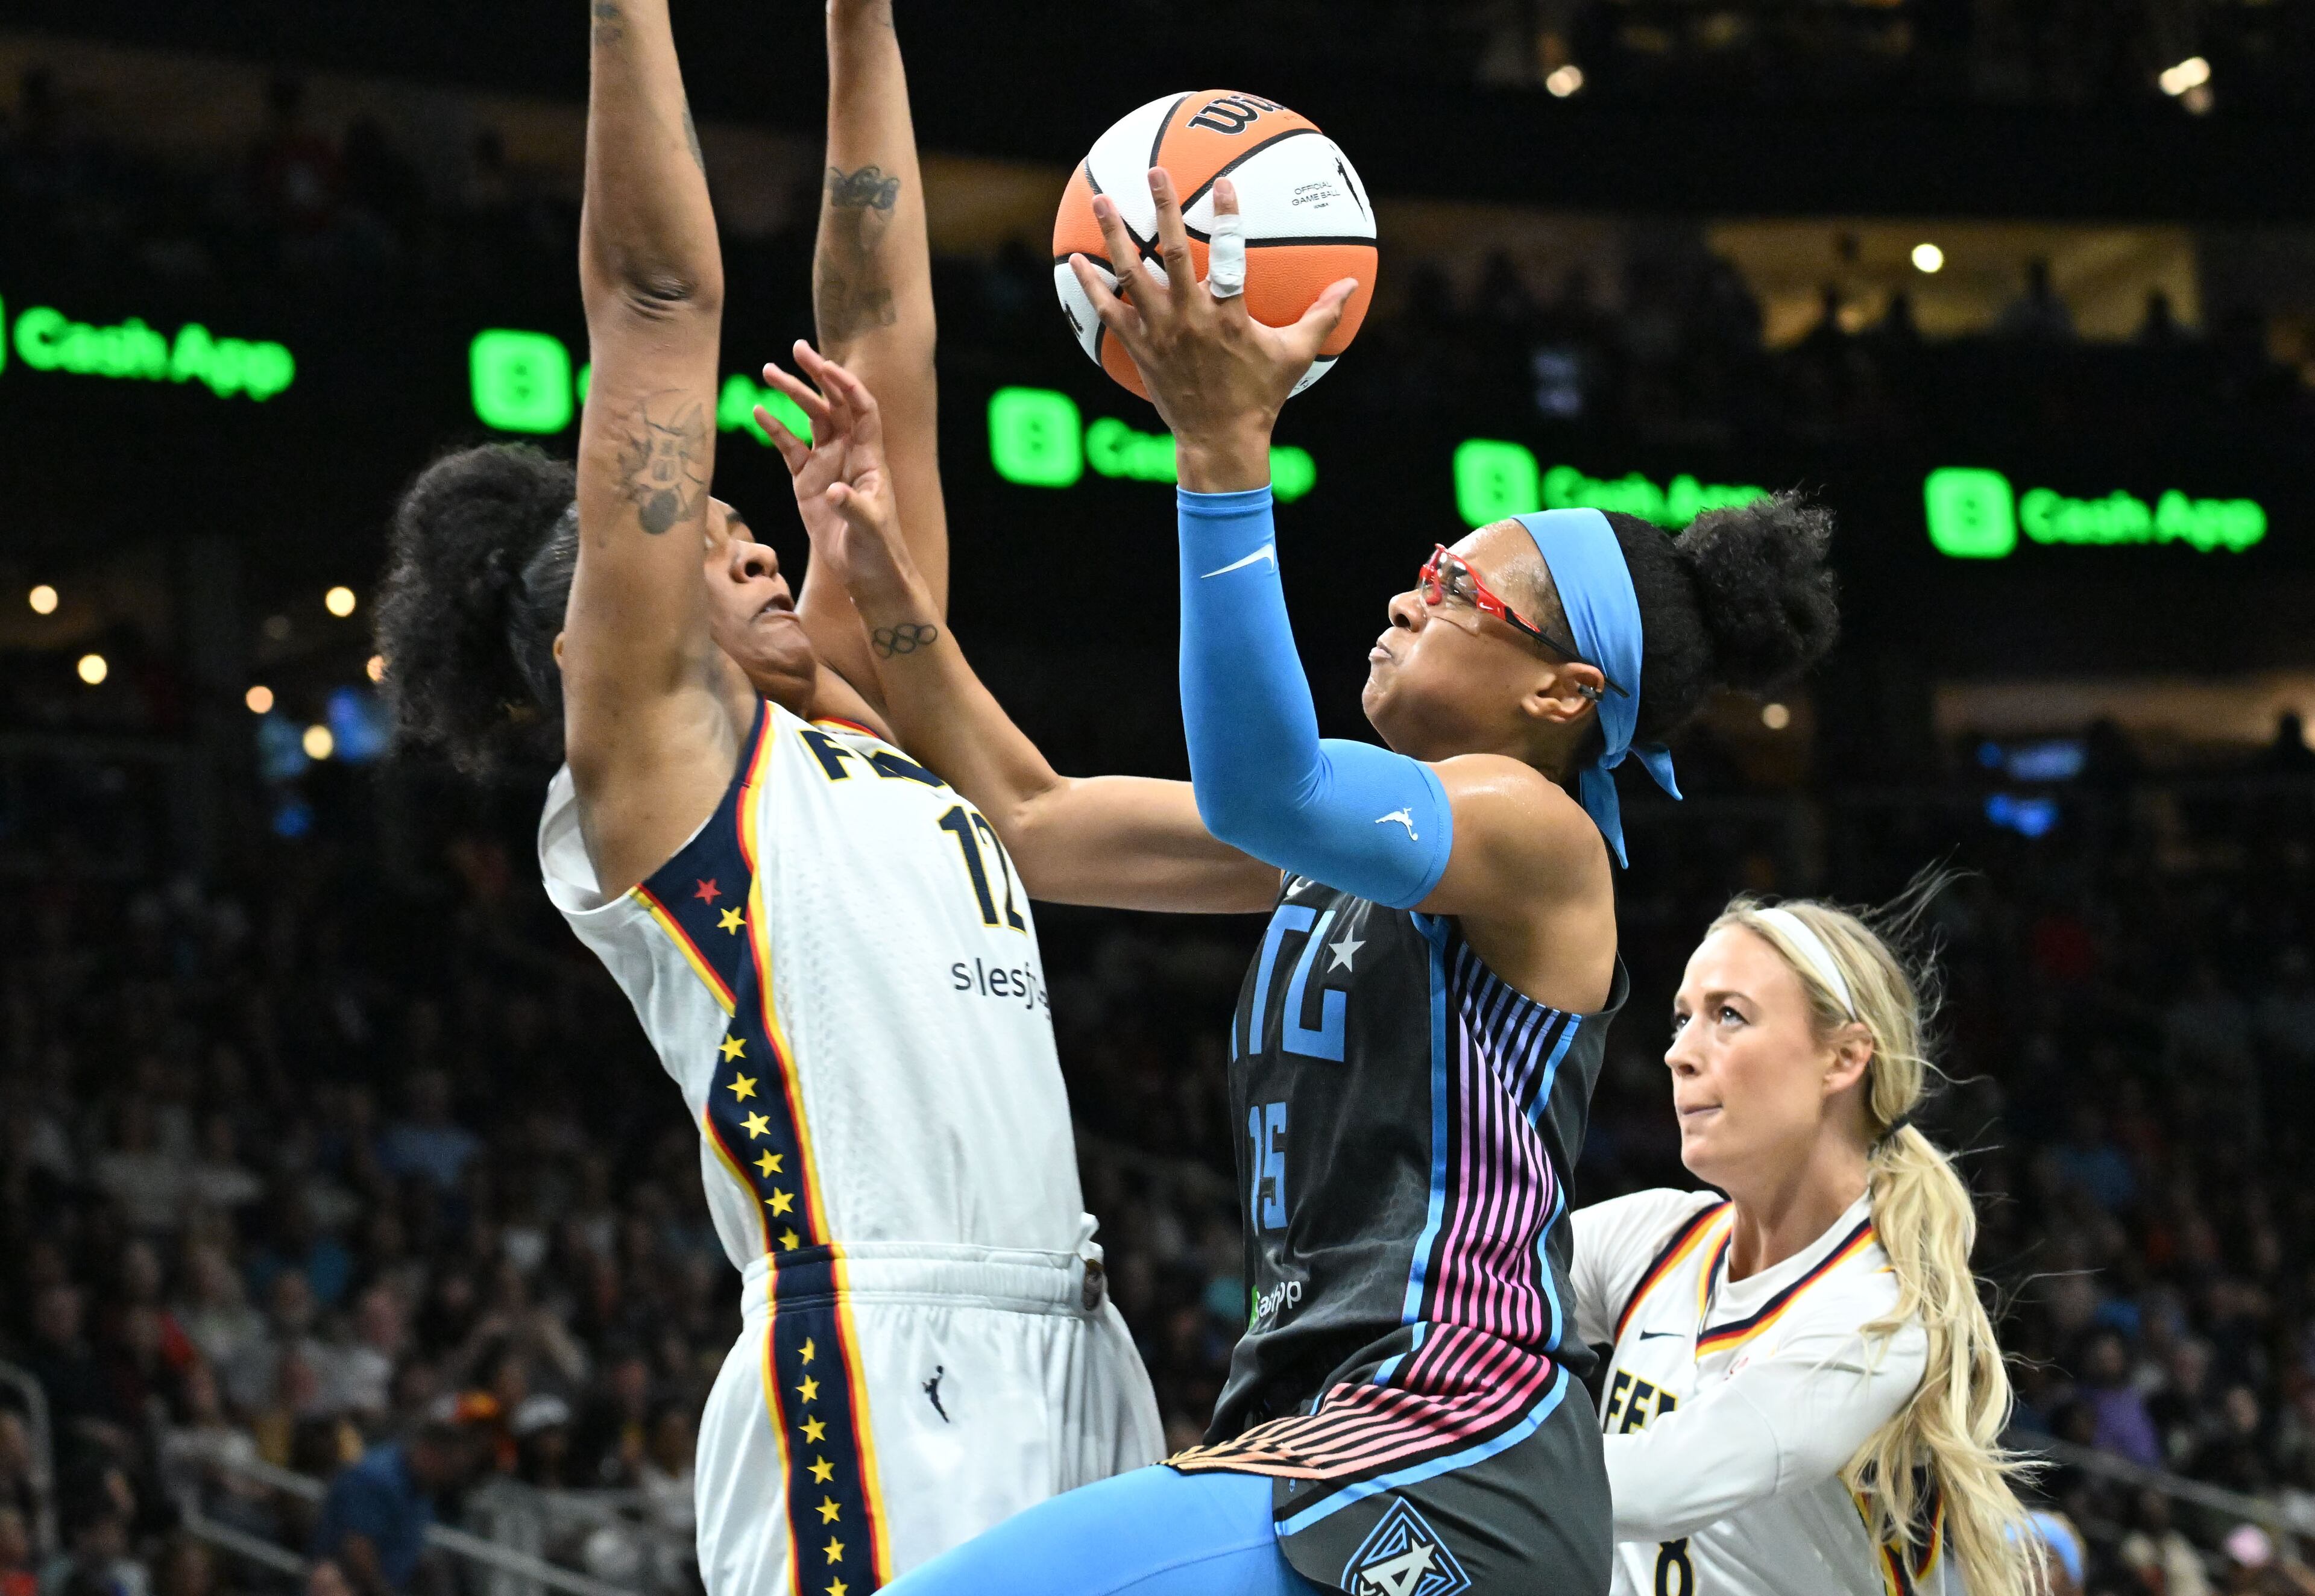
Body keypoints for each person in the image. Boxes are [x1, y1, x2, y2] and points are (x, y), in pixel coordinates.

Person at [760, 166, 1839, 1595]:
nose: (1412, 589)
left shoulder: (1535, 837)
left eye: (1461, 591)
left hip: (1448, 1445)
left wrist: (1221, 455)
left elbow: (1268, 782)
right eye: (1429, 559)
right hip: (1329, 1434)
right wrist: (882, 581)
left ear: (1560, 693)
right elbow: (1033, 819)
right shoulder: (1349, 847)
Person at [370, 4, 1159, 1594]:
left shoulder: (871, 695)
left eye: (742, 519)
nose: (738, 537)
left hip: (1077, 1339)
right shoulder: (661, 781)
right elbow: (659, 299)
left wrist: (863, 23)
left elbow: (881, 332)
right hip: (876, 1359)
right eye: (699, 540)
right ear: (600, 645)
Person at [1569, 891, 2041, 1595]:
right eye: (1682, 1017)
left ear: (1844, 1057)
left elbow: (1654, 1485)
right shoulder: (1655, 1238)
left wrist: (1428, 1449)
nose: (1678, 1053)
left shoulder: (1877, 1314)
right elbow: (1451, 1295)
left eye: (1728, 1015)